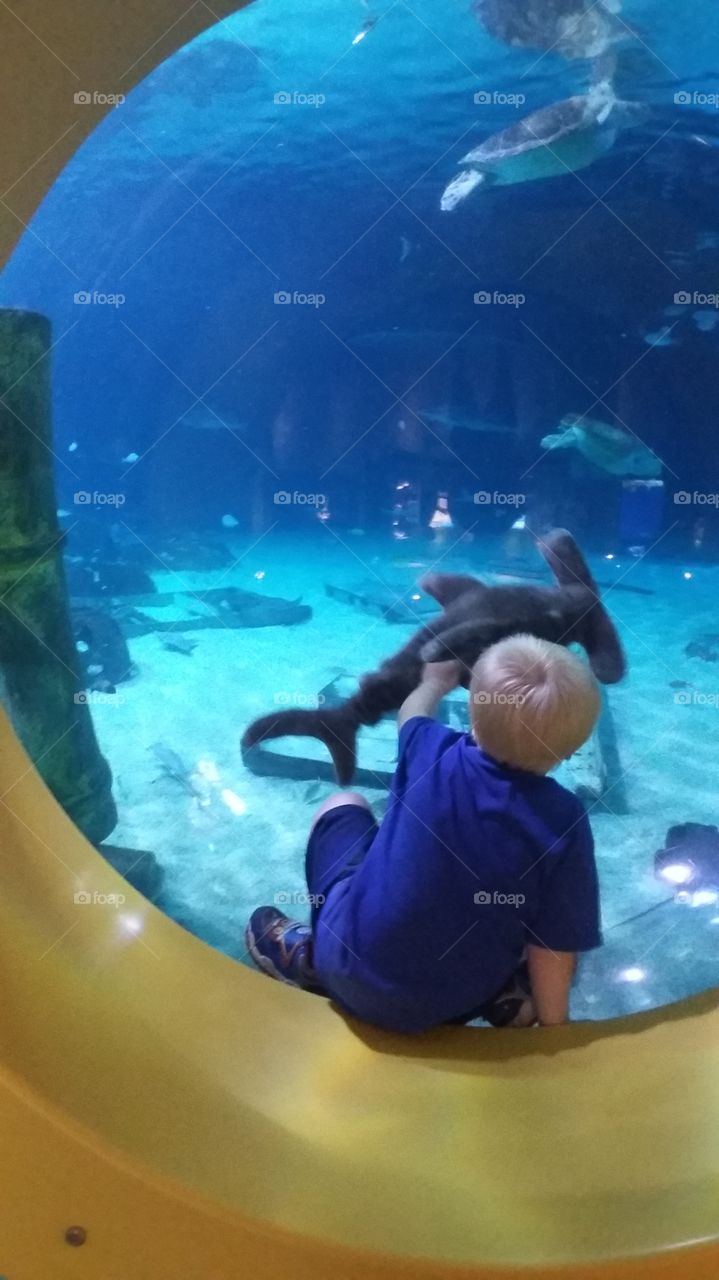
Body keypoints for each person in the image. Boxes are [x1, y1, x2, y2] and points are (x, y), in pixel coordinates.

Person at [246, 635, 603, 1033]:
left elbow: (412, 712)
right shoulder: (564, 821)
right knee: (540, 913)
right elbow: (553, 946)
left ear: (472, 711)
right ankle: (506, 997)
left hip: (346, 965)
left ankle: (310, 956)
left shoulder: (429, 748)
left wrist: (435, 683)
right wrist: (555, 1028)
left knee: (344, 803)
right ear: (573, 749)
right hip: (458, 1000)